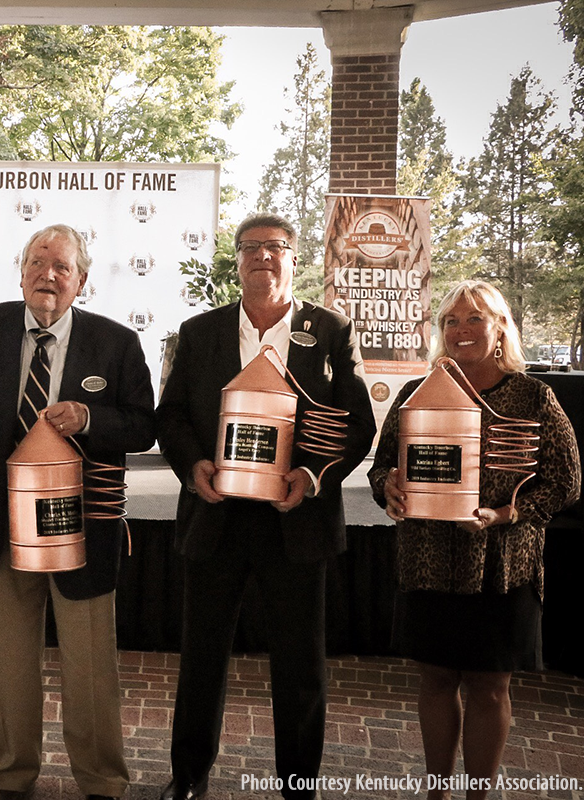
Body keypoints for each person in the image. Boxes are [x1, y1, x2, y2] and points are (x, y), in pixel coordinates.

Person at [0, 224, 156, 800]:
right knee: (8, 668)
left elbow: (144, 425)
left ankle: (102, 781)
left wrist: (90, 419)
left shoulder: (117, 342)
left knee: (89, 668)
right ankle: (14, 776)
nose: (47, 274)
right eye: (37, 262)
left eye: (61, 266)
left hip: (79, 531)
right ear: (20, 269)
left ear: (82, 279)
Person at [156, 213, 376, 800]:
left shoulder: (330, 331)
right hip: (214, 517)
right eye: (250, 248)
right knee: (201, 657)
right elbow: (170, 415)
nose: (263, 257)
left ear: (293, 260)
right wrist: (193, 464)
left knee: (301, 667)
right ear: (237, 259)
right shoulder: (199, 332)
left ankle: (298, 785)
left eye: (275, 248)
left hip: (296, 522)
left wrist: (311, 474)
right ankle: (189, 777)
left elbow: (359, 423)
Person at [369, 280, 579, 800]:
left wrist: (508, 513)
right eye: (451, 321)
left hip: (503, 565)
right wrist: (389, 488)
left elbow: (567, 482)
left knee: (490, 686)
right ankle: (437, 792)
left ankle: (478, 796)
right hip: (428, 560)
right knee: (436, 680)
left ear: (500, 327)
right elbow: (382, 467)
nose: (461, 330)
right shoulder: (416, 391)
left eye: (475, 319)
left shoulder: (535, 395)